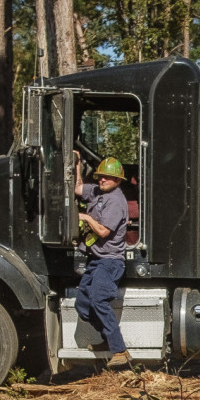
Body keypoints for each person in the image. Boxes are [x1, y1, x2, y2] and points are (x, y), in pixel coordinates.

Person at [73, 152, 131, 368]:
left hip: (110, 261)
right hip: (96, 260)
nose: (102, 179)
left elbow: (104, 232)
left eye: (107, 177)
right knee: (83, 305)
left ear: (117, 180)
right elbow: (78, 189)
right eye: (100, 176)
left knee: (98, 300)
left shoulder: (116, 201)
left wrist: (86, 217)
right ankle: (109, 340)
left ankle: (120, 350)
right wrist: (77, 166)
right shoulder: (97, 191)